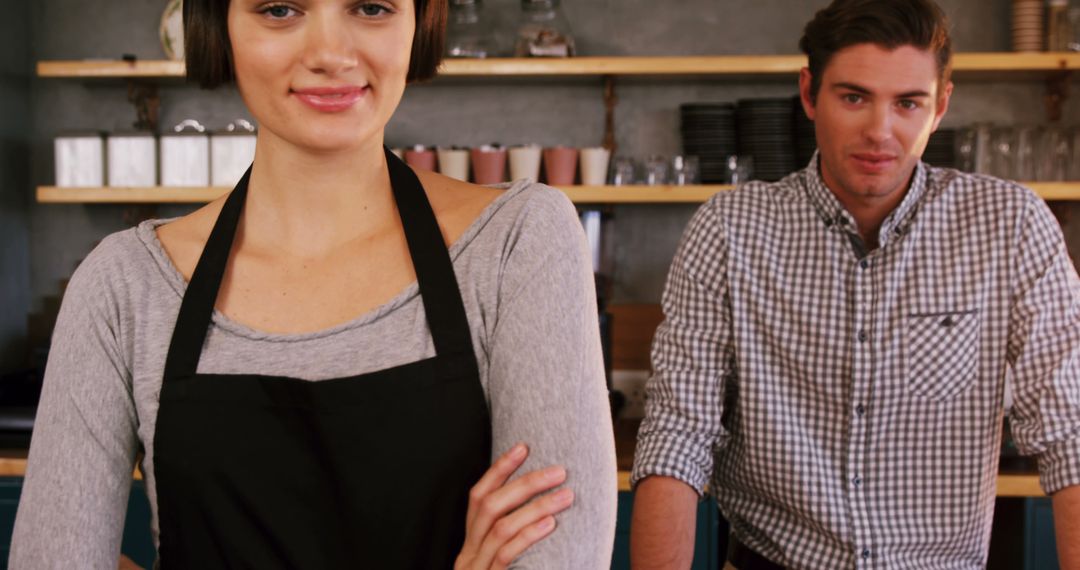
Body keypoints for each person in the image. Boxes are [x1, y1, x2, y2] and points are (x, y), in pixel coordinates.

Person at [10, 0, 617, 567]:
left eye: (371, 6)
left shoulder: (519, 243)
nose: (331, 52)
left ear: (422, 21)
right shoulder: (123, 287)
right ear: (217, 24)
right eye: (280, 8)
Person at [630, 0, 1080, 568]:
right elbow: (678, 434)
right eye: (854, 97)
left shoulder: (1010, 225)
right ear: (809, 94)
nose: (879, 131)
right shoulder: (730, 230)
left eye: (908, 103)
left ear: (939, 106)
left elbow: (1072, 432)